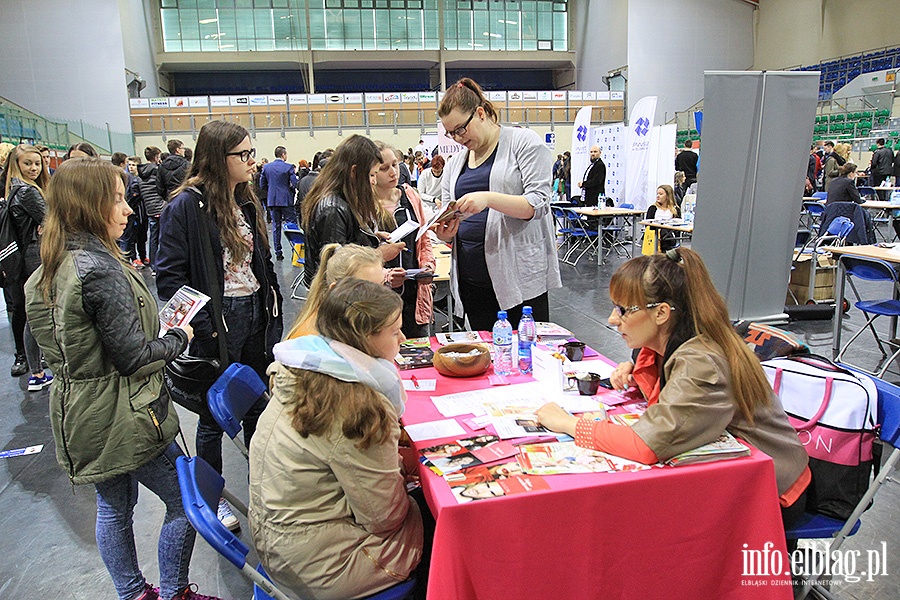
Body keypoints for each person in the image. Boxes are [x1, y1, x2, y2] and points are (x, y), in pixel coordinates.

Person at [24, 157, 219, 600]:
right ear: (89, 206)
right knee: (187, 500)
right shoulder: (99, 269)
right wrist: (177, 336)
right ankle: (172, 592)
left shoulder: (47, 270)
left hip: (79, 413)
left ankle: (133, 593)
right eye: (116, 199)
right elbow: (134, 357)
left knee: (113, 509)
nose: (129, 209)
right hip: (125, 415)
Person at [535, 248, 810, 549]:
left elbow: (645, 445)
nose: (614, 320)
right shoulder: (682, 341)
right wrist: (636, 370)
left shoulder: (701, 361)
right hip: (735, 475)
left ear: (661, 313)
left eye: (623, 310)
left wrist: (569, 424)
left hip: (769, 491)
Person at [250, 278, 429, 600]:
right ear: (363, 339)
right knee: (442, 520)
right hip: (325, 565)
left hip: (282, 544)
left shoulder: (301, 373)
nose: (402, 339)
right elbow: (384, 519)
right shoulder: (359, 408)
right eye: (394, 331)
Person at [156, 120, 283, 532]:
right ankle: (214, 501)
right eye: (242, 155)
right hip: (217, 320)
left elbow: (258, 264)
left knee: (256, 408)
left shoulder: (246, 200)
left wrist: (272, 308)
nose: (251, 161)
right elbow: (169, 278)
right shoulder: (185, 206)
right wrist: (208, 327)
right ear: (217, 158)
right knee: (213, 418)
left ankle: (262, 493)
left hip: (254, 315)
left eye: (251, 152)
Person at [433, 77, 561, 331]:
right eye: (451, 133)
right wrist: (446, 232)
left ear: (480, 113)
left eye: (461, 129)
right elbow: (451, 210)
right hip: (472, 278)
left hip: (517, 277)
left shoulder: (523, 142)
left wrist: (488, 198)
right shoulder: (456, 162)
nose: (457, 138)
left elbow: (536, 204)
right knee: (487, 355)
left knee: (525, 354)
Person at [301, 135, 404, 286]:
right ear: (354, 172)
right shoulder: (333, 209)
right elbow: (337, 267)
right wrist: (378, 254)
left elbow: (345, 242)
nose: (374, 181)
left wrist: (368, 236)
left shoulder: (341, 201)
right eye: (371, 175)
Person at [373, 141, 435, 338]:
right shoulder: (362, 205)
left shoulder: (409, 195)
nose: (393, 172)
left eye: (395, 165)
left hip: (413, 293)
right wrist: (386, 276)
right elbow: (358, 256)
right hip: (379, 296)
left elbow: (423, 238)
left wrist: (427, 264)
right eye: (384, 168)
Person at [5, 144, 53, 389]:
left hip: (25, 256)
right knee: (37, 315)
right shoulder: (28, 192)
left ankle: (36, 369)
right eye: (28, 163)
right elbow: (51, 219)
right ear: (17, 164)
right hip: (35, 255)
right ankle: (36, 372)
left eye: (37, 163)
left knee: (31, 314)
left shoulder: (15, 189)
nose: (34, 168)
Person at [285, 243, 384, 339]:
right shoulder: (313, 340)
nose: (380, 297)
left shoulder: (349, 318)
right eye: (365, 289)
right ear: (337, 291)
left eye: (382, 284)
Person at [260, 145, 299, 260]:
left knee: (276, 226)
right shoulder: (288, 167)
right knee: (292, 225)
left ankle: (278, 253)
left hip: (272, 200)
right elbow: (295, 183)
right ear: (283, 155)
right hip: (286, 200)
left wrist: (271, 191)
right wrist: (289, 190)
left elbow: (262, 184)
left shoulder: (266, 167)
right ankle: (295, 252)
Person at [138, 146, 167, 275]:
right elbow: (162, 189)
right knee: (163, 238)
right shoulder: (158, 171)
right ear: (156, 157)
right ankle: (162, 264)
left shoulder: (140, 175)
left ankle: (153, 265)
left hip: (149, 209)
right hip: (161, 208)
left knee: (153, 238)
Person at [644, 184, 680, 252]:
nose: (658, 196)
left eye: (661, 194)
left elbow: (678, 226)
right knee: (662, 231)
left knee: (665, 231)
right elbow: (647, 225)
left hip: (669, 234)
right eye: (657, 194)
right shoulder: (653, 208)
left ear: (667, 196)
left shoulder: (675, 210)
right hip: (654, 234)